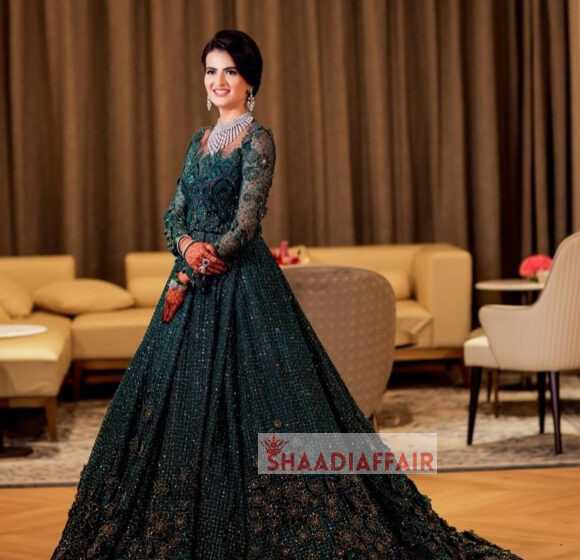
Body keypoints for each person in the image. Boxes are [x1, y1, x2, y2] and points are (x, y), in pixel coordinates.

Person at [51, 29, 522, 560]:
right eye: (211, 71)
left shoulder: (258, 140)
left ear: (249, 81)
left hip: (243, 287)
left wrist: (195, 268)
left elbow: (246, 224)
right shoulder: (198, 142)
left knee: (273, 408)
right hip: (190, 285)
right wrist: (184, 247)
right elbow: (173, 212)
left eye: (230, 71)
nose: (218, 81)